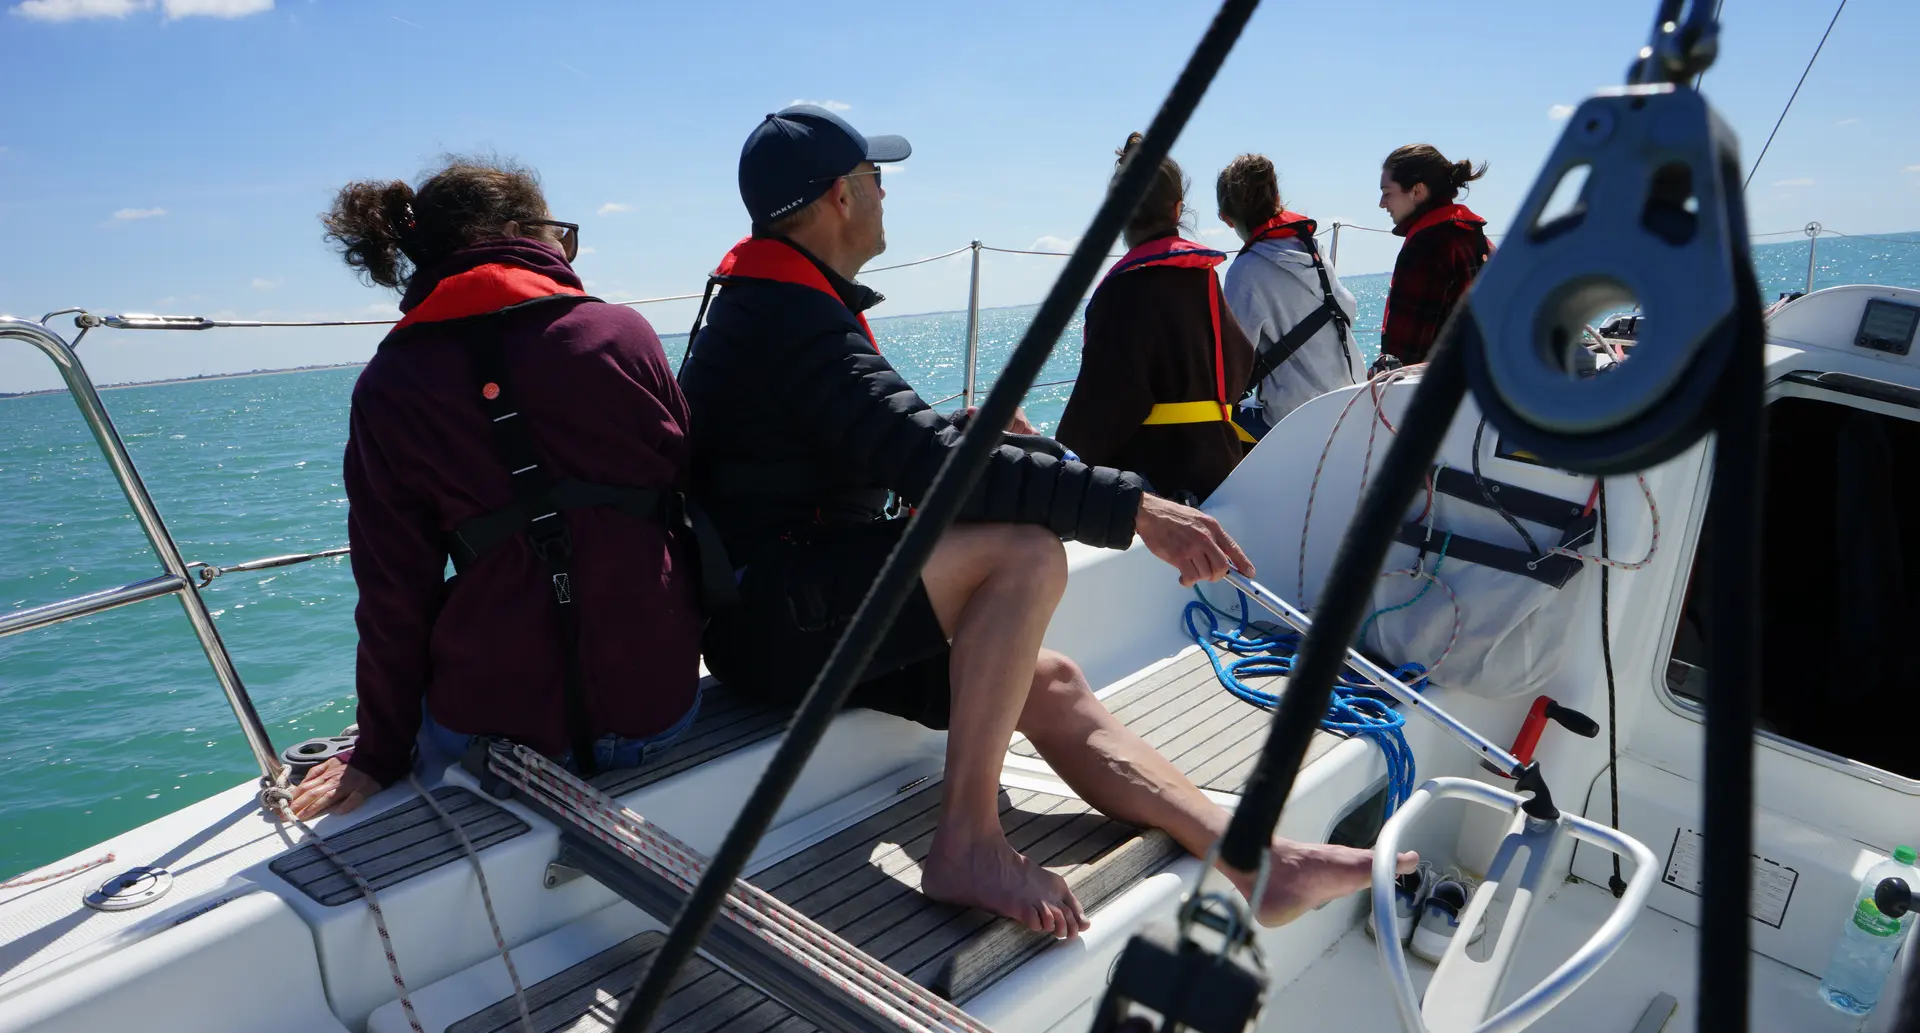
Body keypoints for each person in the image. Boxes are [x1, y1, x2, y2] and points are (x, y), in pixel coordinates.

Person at [680, 106, 1412, 939]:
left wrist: (977, 436)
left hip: (795, 604)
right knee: (1023, 556)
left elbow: (884, 441)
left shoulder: (778, 305)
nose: (887, 195)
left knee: (1050, 677)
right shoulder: (787, 317)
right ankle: (966, 843)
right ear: (842, 196)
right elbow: (921, 463)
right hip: (772, 619)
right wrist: (1133, 506)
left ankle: (1255, 858)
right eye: (878, 180)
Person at [287, 156, 711, 819]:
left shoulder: (388, 385)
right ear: (523, 231)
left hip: (496, 746)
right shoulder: (620, 335)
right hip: (658, 714)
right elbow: (688, 478)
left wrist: (376, 755)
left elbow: (393, 596)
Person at [1056, 134, 1255, 505]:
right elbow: (1240, 359)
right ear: (1178, 210)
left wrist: (1061, 464)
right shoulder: (1203, 276)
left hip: (1157, 484)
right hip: (1220, 468)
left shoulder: (1122, 289)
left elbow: (1102, 407)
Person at [1214, 153, 1360, 435]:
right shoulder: (1311, 249)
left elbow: (1229, 365)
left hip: (1294, 421)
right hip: (1349, 403)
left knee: (1213, 427)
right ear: (1277, 197)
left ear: (1227, 219)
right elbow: (1348, 308)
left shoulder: (1245, 271)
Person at [1377, 144, 1492, 368]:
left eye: (1387, 193)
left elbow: (1405, 356)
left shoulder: (1426, 247)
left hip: (1436, 391)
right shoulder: (1472, 234)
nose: (1382, 204)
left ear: (1417, 191)